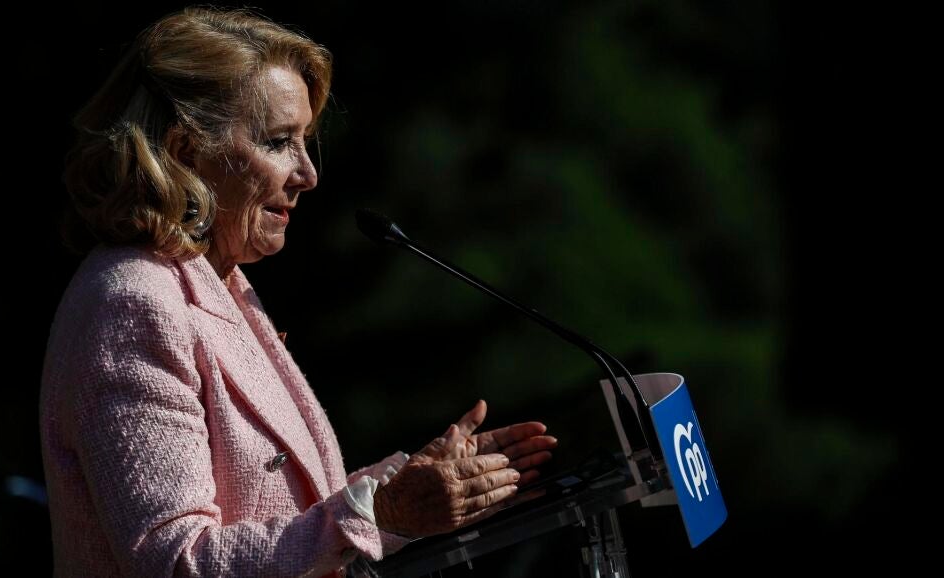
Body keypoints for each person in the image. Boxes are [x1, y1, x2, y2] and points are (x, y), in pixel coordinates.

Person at [38, 6, 557, 577]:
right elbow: (177, 561)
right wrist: (383, 512)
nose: (308, 175)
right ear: (187, 152)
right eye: (279, 141)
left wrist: (408, 488)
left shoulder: (219, 284)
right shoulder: (132, 301)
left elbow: (286, 517)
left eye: (305, 141)